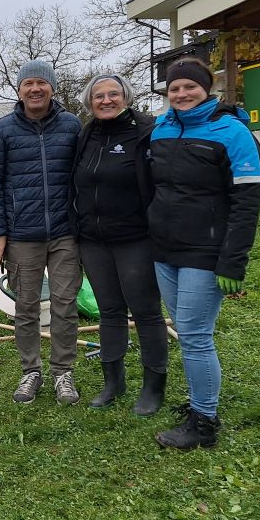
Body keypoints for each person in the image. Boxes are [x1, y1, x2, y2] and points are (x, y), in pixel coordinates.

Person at [148, 57, 260, 450]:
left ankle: (205, 422)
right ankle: (200, 403)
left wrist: (233, 260)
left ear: (206, 89)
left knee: (196, 336)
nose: (181, 94)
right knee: (185, 330)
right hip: (164, 250)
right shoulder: (162, 128)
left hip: (205, 250)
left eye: (189, 87)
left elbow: (247, 203)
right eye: (174, 88)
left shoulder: (233, 132)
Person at [0, 60, 83, 406]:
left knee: (65, 304)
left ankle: (63, 372)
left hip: (65, 231)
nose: (35, 89)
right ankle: (30, 372)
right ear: (20, 90)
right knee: (25, 305)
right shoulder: (4, 130)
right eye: (29, 83)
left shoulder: (71, 126)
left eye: (42, 82)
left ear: (52, 87)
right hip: (22, 233)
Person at [70, 74, 169, 415]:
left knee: (145, 311)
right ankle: (113, 381)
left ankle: (153, 387)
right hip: (94, 240)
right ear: (90, 101)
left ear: (126, 97)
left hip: (136, 238)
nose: (106, 100)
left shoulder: (146, 132)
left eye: (114, 94)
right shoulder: (86, 135)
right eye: (99, 95)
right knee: (110, 310)